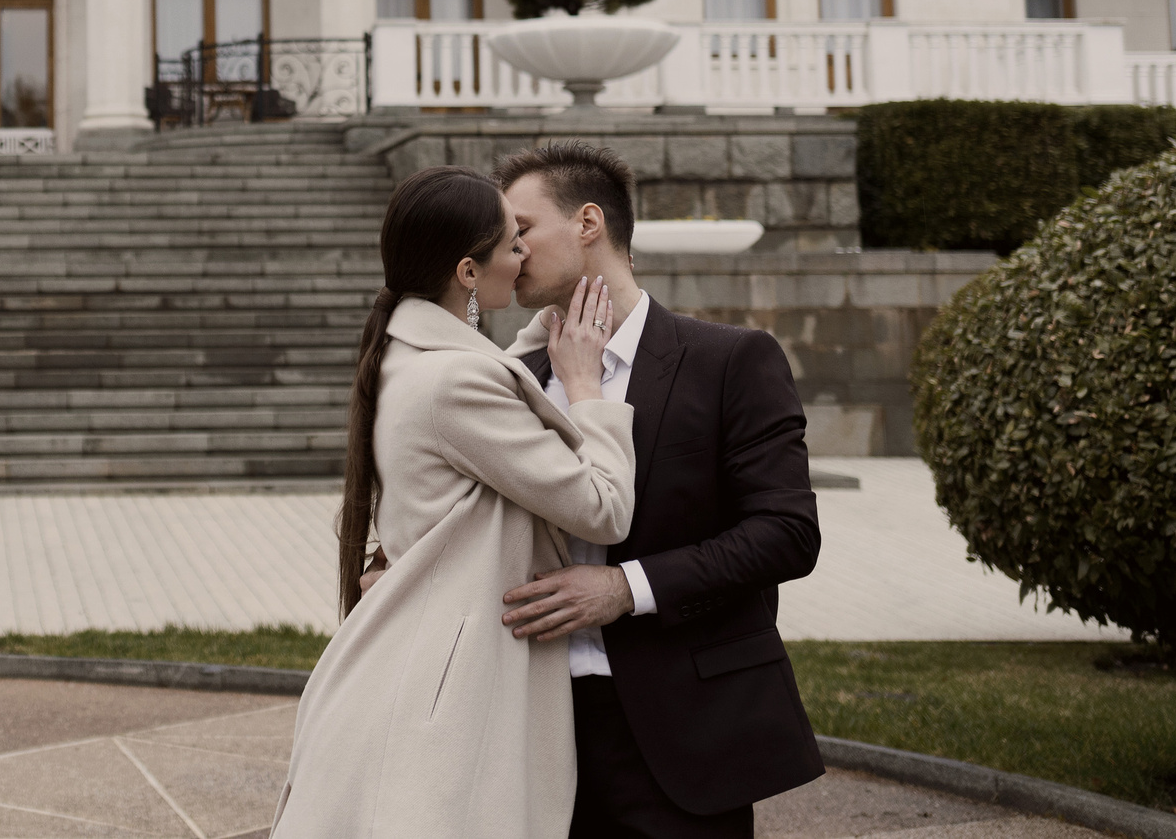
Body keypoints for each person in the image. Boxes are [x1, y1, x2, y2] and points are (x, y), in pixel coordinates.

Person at [273, 165, 635, 839]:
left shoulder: (406, 352)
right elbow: (601, 505)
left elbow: (494, 373)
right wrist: (587, 387)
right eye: (511, 243)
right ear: (469, 272)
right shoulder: (456, 382)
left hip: (405, 677)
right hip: (451, 706)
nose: (524, 255)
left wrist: (551, 322)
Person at [494, 142, 822, 839]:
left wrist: (625, 588)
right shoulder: (508, 376)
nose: (508, 249)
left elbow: (786, 532)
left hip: (685, 730)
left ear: (588, 222)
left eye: (521, 228)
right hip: (529, 728)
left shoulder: (730, 360)